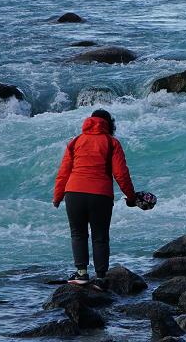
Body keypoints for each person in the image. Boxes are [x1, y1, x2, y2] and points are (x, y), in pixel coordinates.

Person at [52, 109, 140, 286]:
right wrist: (131, 197)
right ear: (110, 124)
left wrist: (57, 196)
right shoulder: (111, 142)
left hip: (74, 193)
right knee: (100, 236)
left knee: (78, 234)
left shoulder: (75, 141)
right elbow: (121, 174)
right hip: (101, 195)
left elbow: (63, 172)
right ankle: (100, 278)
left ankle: (82, 274)